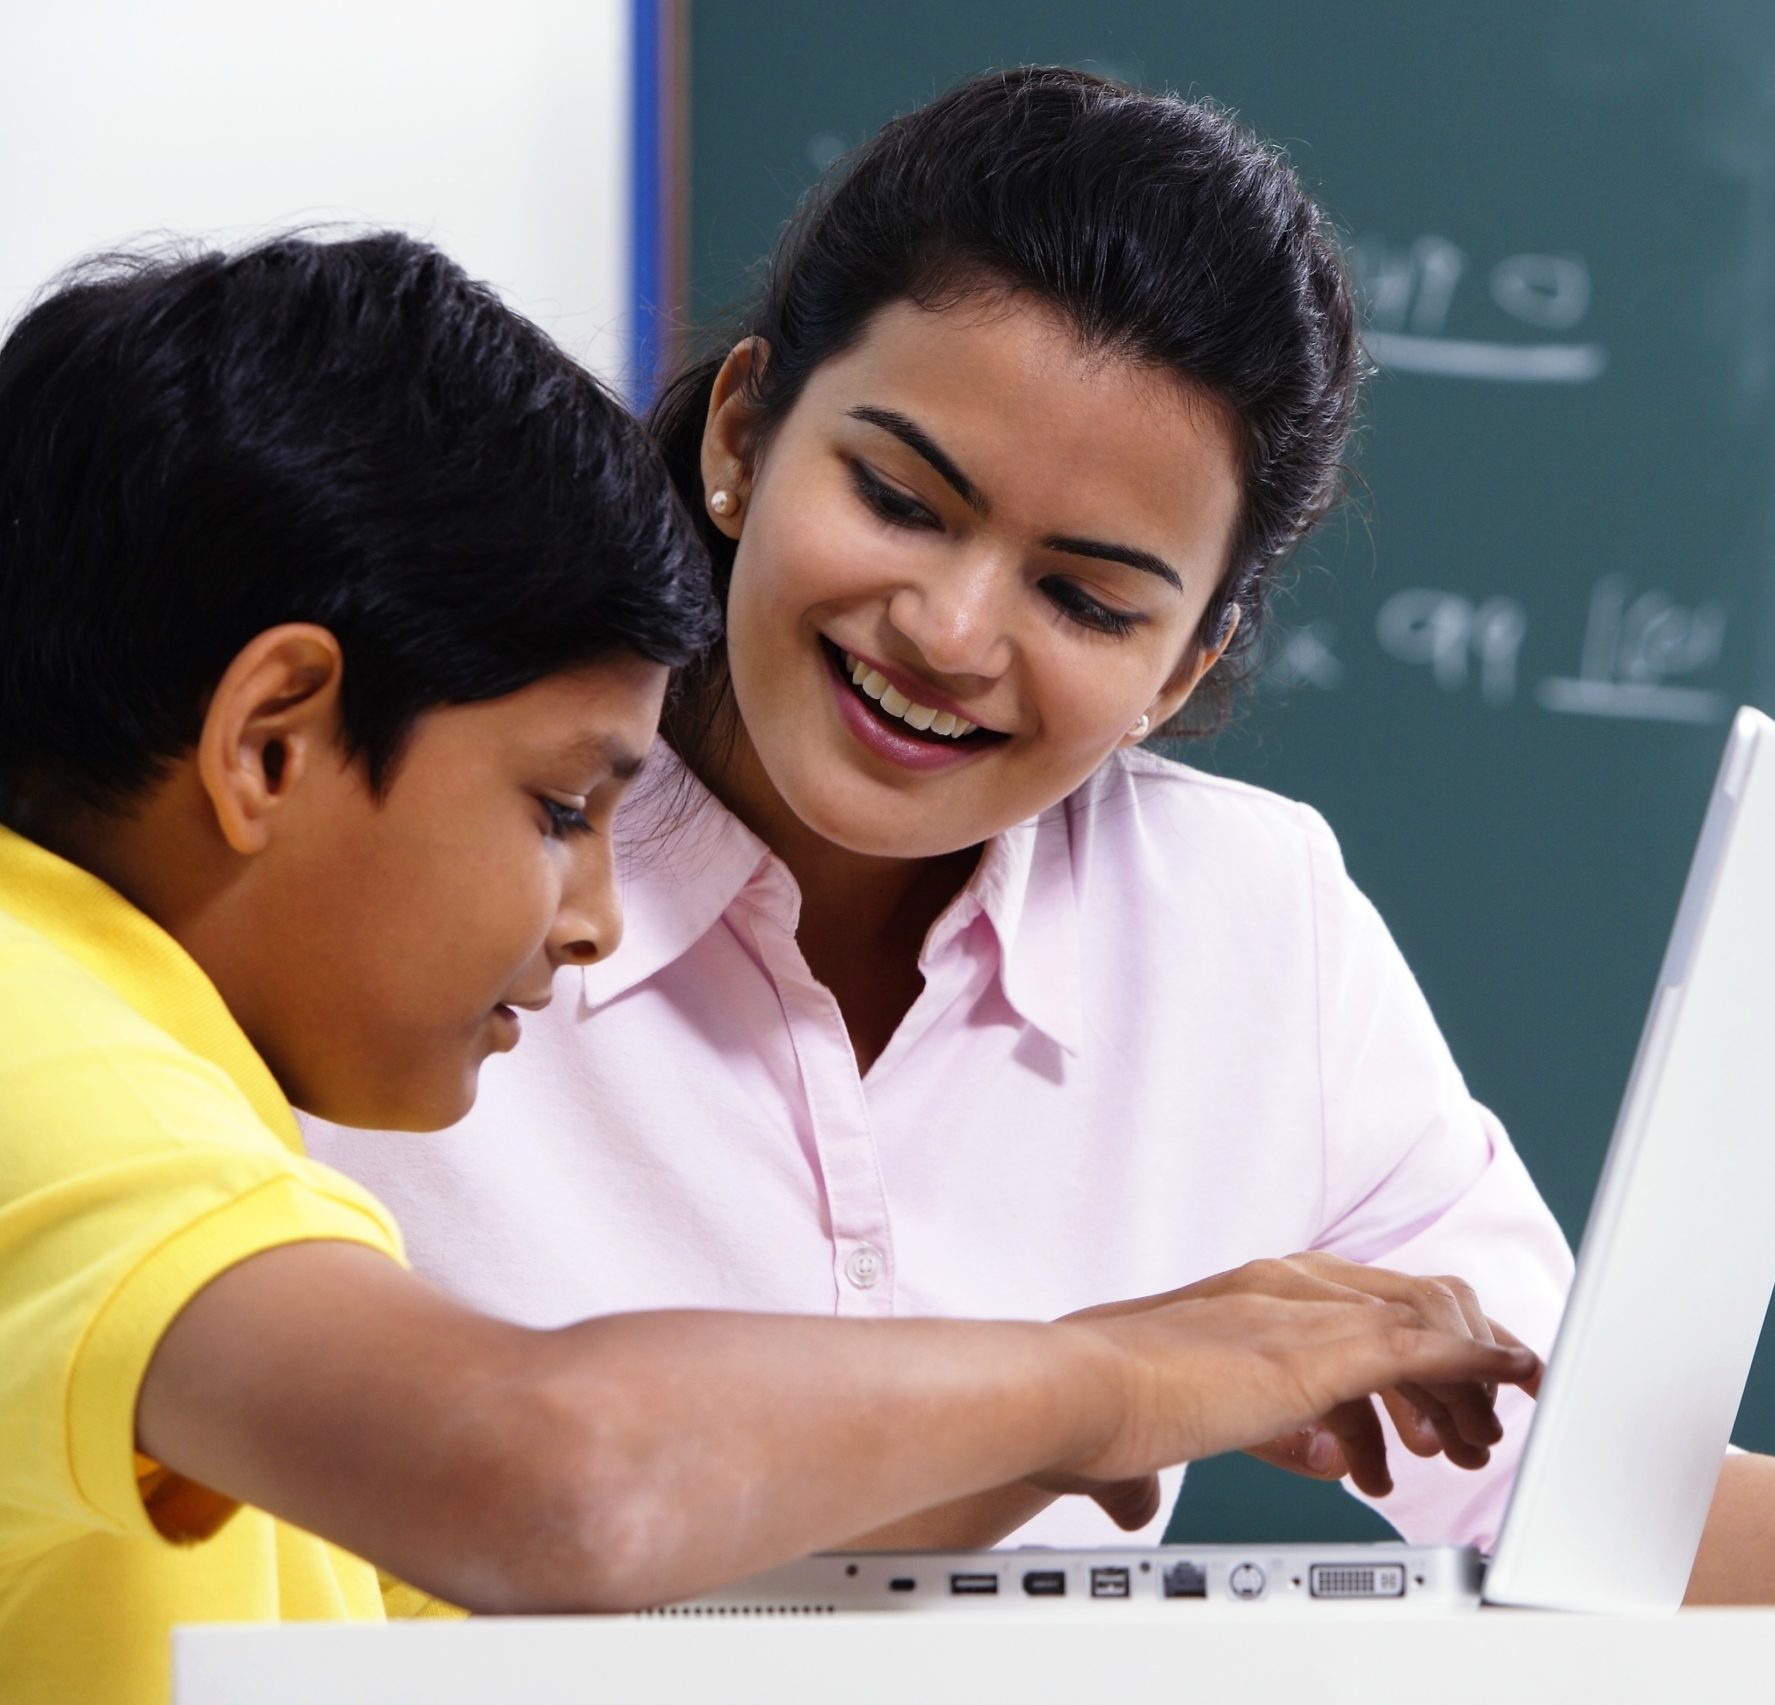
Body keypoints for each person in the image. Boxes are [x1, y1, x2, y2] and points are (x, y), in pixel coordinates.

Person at [312, 68, 1775, 1608]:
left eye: (1089, 596)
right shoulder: (417, 849)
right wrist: (1110, 1377)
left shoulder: (1246, 922)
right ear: (748, 430)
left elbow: (1553, 1473)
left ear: (1191, 659)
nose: (948, 633)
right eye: (906, 495)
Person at [0, 232, 1544, 1705]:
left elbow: (560, 1621)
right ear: (273, 741)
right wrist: (1110, 1382)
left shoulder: (166, 1083)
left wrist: (1051, 1440)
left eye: (1085, 594)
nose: (596, 916)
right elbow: (558, 1487)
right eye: (558, 808)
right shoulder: (41, 1044)